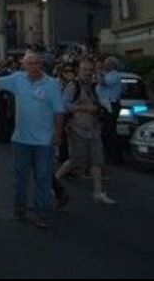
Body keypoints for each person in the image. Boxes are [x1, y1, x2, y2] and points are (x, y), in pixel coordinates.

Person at [0, 50, 64, 228]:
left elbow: (58, 111)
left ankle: (42, 212)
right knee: (21, 177)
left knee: (43, 178)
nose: (33, 67)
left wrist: (57, 134)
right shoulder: (18, 79)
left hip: (44, 141)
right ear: (24, 65)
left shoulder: (52, 84)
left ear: (41, 65)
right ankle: (20, 209)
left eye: (36, 63)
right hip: (21, 139)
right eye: (30, 63)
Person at [54, 60, 117, 206]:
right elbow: (64, 105)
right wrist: (84, 108)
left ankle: (98, 192)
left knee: (97, 160)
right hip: (78, 128)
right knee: (75, 160)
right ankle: (53, 183)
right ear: (79, 71)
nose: (88, 72)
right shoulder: (73, 86)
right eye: (85, 70)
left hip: (94, 128)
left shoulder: (93, 86)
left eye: (90, 70)